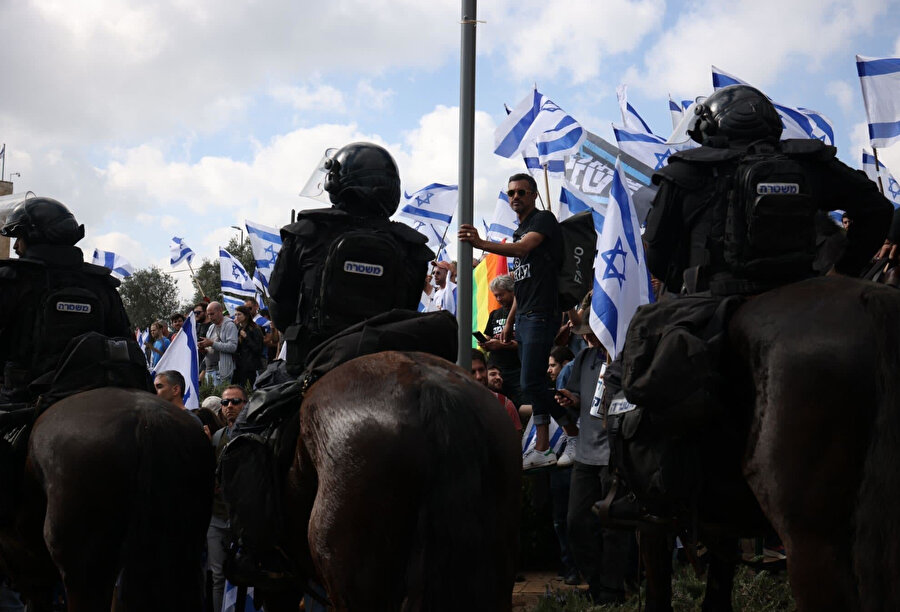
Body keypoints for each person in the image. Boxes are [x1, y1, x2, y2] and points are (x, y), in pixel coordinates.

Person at [646, 84, 892, 296]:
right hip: (805, 291)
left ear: (711, 126)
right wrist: (843, 272)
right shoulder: (810, 164)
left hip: (712, 298)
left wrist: (688, 288)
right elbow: (877, 209)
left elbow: (658, 256)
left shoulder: (685, 170)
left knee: (642, 335)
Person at [0, 197, 133, 520]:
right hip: (98, 391)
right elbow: (126, 344)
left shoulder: (12, 279)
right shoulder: (103, 284)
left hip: (23, 399)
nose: (16, 246)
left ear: (30, 238)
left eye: (19, 237)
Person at [268, 141, 434, 373]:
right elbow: (408, 309)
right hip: (387, 363)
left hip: (314, 362)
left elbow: (280, 307)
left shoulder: (306, 234)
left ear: (336, 182)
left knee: (258, 402)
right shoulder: (411, 246)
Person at [459, 173, 578, 470]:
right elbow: (522, 287)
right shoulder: (519, 230)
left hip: (542, 314)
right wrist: (510, 321)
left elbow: (524, 249)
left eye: (522, 192)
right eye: (511, 192)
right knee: (534, 384)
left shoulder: (543, 220)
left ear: (534, 195)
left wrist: (481, 243)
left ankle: (573, 434)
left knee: (531, 382)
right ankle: (542, 447)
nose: (515, 197)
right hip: (525, 315)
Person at [556, 320, 635, 605]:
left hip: (616, 455)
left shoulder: (627, 356)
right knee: (576, 522)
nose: (588, 336)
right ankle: (597, 582)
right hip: (586, 455)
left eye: (592, 331)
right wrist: (570, 399)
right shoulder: (584, 358)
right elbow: (578, 396)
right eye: (586, 333)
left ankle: (612, 592)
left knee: (614, 526)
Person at [208, 385, 247, 612]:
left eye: (235, 402)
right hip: (217, 516)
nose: (229, 407)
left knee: (245, 576)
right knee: (218, 576)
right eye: (225, 403)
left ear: (245, 404)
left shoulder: (254, 435)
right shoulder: (217, 437)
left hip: (243, 519)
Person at [479, 274, 522, 406]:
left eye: (501, 295)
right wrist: (485, 343)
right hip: (495, 368)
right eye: (495, 295)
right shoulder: (495, 314)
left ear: (512, 292)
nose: (498, 299)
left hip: (516, 370)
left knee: (517, 404)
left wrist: (501, 345)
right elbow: (488, 336)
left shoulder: (522, 312)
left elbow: (524, 344)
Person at [470, 349, 520, 431]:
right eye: (472, 372)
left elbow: (514, 442)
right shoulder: (452, 404)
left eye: (481, 370)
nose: (478, 376)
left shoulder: (504, 404)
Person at [197, 302, 238, 385]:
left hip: (222, 372)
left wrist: (212, 343)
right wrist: (203, 349)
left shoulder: (229, 325)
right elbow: (211, 349)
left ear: (220, 311)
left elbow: (233, 347)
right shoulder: (211, 327)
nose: (210, 317)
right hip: (209, 371)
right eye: (208, 315)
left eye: (212, 314)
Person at [232, 305, 263, 388]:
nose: (236, 317)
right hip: (240, 367)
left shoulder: (254, 329)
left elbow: (258, 349)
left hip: (251, 367)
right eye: (235, 315)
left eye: (239, 314)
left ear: (246, 315)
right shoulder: (238, 328)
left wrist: (246, 337)